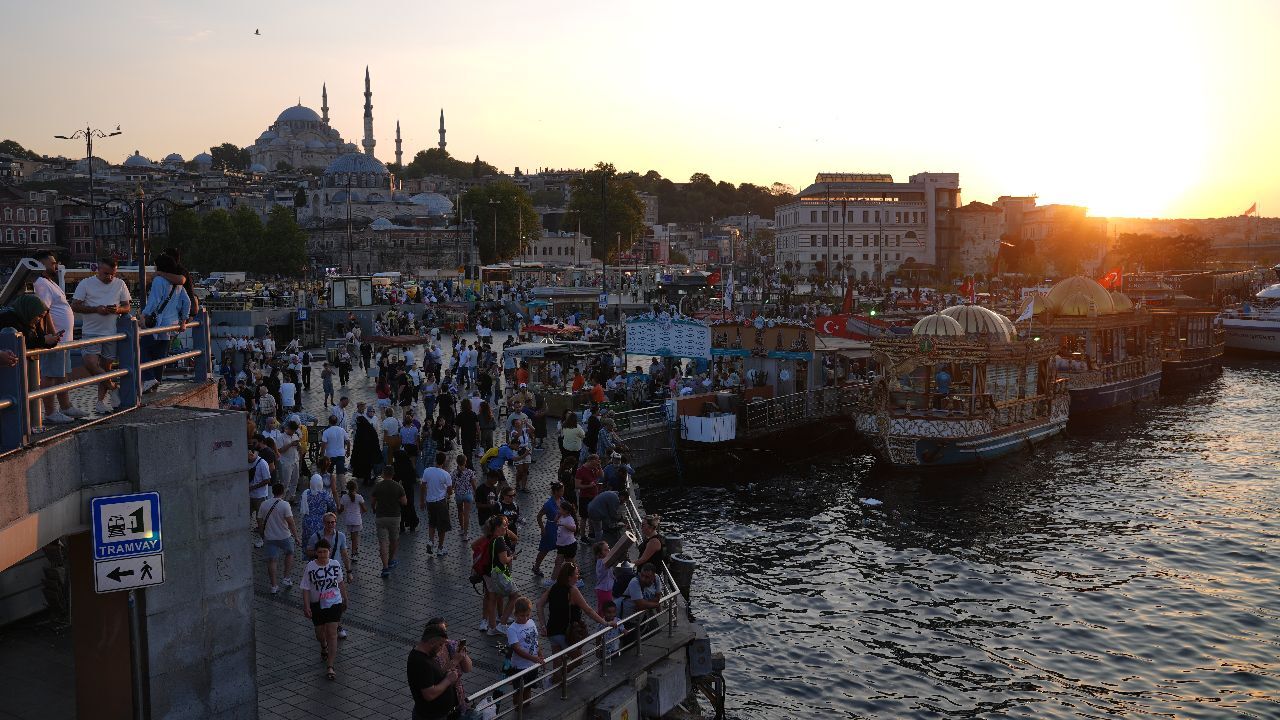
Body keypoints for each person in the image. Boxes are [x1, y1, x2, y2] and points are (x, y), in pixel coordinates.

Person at [537, 561, 616, 685]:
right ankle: (554, 681)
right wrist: (605, 623)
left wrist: (542, 625)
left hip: (552, 631)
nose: (578, 576)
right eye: (576, 574)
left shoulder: (554, 587)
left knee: (557, 664)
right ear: (569, 577)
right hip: (566, 633)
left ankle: (555, 684)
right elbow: (588, 610)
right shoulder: (572, 590)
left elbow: (539, 604)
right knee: (578, 659)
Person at [69, 258, 130, 415]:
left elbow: (127, 307)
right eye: (106, 274)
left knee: (106, 367)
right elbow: (75, 305)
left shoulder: (120, 284)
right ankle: (113, 387)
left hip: (111, 331)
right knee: (90, 363)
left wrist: (117, 310)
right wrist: (96, 309)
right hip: (91, 331)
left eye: (112, 274)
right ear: (98, 270)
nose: (109, 277)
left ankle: (100, 403)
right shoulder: (86, 283)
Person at [31, 251, 82, 423]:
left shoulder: (51, 282)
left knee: (62, 374)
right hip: (56, 339)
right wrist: (52, 334)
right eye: (52, 263)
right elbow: (44, 311)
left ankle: (66, 407)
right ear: (42, 265)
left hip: (64, 339)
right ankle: (51, 412)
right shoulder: (42, 283)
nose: (55, 265)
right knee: (50, 375)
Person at [139, 255, 192, 393]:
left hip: (158, 323)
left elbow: (154, 301)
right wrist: (184, 320)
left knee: (142, 348)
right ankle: (156, 381)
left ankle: (149, 378)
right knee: (160, 355)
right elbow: (187, 302)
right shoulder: (177, 283)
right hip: (171, 324)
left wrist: (143, 315)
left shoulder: (159, 280)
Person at [300, 538, 347, 681]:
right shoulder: (310, 567)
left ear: (329, 552)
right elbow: (306, 588)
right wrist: (307, 606)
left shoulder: (335, 564)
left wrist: (345, 598)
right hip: (317, 604)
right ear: (316, 553)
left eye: (325, 552)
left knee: (332, 633)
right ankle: (323, 646)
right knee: (320, 634)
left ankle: (330, 666)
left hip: (334, 603)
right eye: (320, 552)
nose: (322, 555)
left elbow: (340, 582)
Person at [407, 620, 471, 720]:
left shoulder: (426, 656)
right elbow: (429, 694)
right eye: (440, 645)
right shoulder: (421, 662)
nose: (441, 648)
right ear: (432, 642)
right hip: (431, 716)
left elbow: (435, 677)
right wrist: (448, 680)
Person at [505, 597, 544, 711]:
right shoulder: (512, 629)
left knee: (528, 688)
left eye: (528, 615)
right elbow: (517, 649)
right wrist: (534, 658)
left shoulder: (531, 622)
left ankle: (526, 707)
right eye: (522, 616)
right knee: (519, 691)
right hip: (519, 666)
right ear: (516, 614)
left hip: (532, 664)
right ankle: (518, 709)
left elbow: (535, 641)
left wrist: (540, 655)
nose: (525, 618)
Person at [259, 483, 299, 595]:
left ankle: (273, 586)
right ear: (283, 492)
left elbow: (260, 520)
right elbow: (291, 523)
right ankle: (286, 577)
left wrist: (262, 534)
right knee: (290, 553)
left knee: (272, 561)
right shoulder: (285, 505)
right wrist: (296, 537)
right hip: (284, 536)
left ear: (273, 492)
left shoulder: (264, 504)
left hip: (270, 537)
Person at [371, 465, 407, 578]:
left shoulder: (378, 486)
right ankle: (391, 560)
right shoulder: (398, 486)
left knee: (382, 542)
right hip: (394, 517)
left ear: (383, 474)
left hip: (381, 516)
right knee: (394, 540)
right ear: (393, 474)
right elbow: (404, 502)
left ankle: (385, 567)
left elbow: (372, 501)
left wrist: (374, 509)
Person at [419, 452, 453, 556]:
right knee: (442, 526)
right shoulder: (446, 474)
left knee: (432, 522)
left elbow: (422, 486)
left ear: (435, 459)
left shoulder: (427, 471)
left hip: (429, 501)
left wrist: (421, 501)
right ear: (444, 461)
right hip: (441, 502)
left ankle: (430, 541)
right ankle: (440, 548)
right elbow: (450, 491)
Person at [532, 481, 565, 577]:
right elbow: (539, 516)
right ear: (555, 492)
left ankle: (562, 568)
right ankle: (536, 567)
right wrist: (542, 528)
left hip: (561, 528)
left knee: (563, 549)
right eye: (561, 491)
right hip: (551, 528)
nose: (563, 493)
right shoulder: (548, 504)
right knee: (544, 549)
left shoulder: (562, 500)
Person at [299, 473, 337, 548]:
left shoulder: (305, 493)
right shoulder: (325, 494)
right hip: (322, 522)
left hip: (308, 522)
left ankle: (309, 557)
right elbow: (333, 506)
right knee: (321, 543)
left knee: (308, 543)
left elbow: (299, 507)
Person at [248, 446, 273, 549]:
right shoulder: (247, 462)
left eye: (249, 455)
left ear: (254, 453)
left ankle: (263, 539)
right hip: (249, 496)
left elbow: (267, 480)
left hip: (260, 496)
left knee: (260, 520)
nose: (248, 458)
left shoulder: (262, 463)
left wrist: (253, 487)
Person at [351, 407, 382, 486]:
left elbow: (357, 443)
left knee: (366, 466)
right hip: (370, 453)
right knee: (369, 466)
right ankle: (369, 478)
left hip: (364, 453)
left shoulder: (360, 431)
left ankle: (366, 478)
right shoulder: (370, 430)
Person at [551, 501, 579, 584]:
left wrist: (565, 525)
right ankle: (553, 580)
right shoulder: (562, 516)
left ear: (566, 511)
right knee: (558, 562)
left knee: (571, 564)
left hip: (569, 545)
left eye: (560, 509)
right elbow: (555, 521)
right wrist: (558, 515)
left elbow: (574, 529)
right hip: (561, 545)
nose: (558, 510)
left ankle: (577, 579)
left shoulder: (569, 519)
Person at [393, 447, 421, 534]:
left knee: (400, 508)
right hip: (408, 489)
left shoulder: (395, 465)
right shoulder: (408, 464)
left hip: (398, 490)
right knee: (410, 506)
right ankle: (412, 524)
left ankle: (401, 526)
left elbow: (394, 478)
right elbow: (413, 478)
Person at [336, 480, 366, 559]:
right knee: (355, 536)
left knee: (353, 536)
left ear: (347, 488)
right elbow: (364, 509)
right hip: (357, 519)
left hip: (348, 520)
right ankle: (354, 553)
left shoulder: (344, 497)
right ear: (356, 488)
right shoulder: (359, 497)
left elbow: (341, 509)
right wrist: (361, 512)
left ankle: (354, 549)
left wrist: (337, 511)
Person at [273, 420, 302, 501]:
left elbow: (299, 449)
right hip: (286, 462)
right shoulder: (281, 437)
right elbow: (279, 450)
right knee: (285, 482)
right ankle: (283, 499)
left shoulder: (295, 436)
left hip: (295, 460)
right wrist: (290, 444)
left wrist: (299, 446)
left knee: (295, 481)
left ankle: (292, 496)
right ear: (288, 428)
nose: (293, 432)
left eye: (294, 431)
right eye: (292, 430)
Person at [452, 454, 477, 539]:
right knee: (466, 514)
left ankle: (462, 528)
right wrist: (476, 493)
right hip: (468, 495)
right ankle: (466, 534)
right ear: (465, 462)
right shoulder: (470, 472)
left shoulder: (454, 472)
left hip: (458, 495)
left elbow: (452, 485)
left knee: (460, 512)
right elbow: (474, 484)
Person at [320, 415, 350, 479]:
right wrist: (348, 451)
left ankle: (330, 485)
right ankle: (342, 487)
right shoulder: (342, 430)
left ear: (329, 422)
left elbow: (323, 445)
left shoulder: (326, 432)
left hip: (330, 456)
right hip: (341, 455)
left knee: (329, 473)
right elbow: (348, 442)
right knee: (341, 474)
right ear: (336, 422)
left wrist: (322, 456)